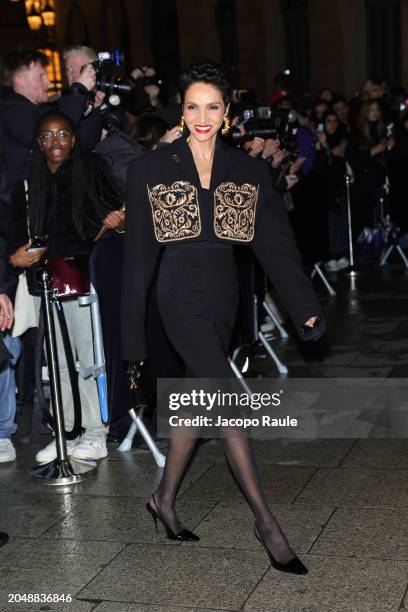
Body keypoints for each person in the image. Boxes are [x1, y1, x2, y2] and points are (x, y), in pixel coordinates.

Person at [122, 61, 325, 575]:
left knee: (197, 394)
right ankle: (266, 523)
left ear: (228, 113)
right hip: (177, 295)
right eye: (193, 106)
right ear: (181, 111)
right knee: (227, 397)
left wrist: (305, 308)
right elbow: (140, 258)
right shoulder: (151, 169)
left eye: (213, 106)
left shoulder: (248, 171)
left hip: (223, 298)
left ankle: (162, 498)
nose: (202, 116)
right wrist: (131, 341)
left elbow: (276, 247)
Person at [8, 111, 123, 463]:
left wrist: (117, 222)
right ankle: (67, 432)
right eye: (47, 136)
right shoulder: (28, 180)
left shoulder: (91, 169)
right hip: (45, 279)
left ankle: (95, 432)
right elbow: (15, 231)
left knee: (89, 360)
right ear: (38, 142)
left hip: (84, 276)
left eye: (62, 134)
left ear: (73, 138)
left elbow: (119, 212)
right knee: (56, 364)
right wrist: (16, 258)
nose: (55, 142)